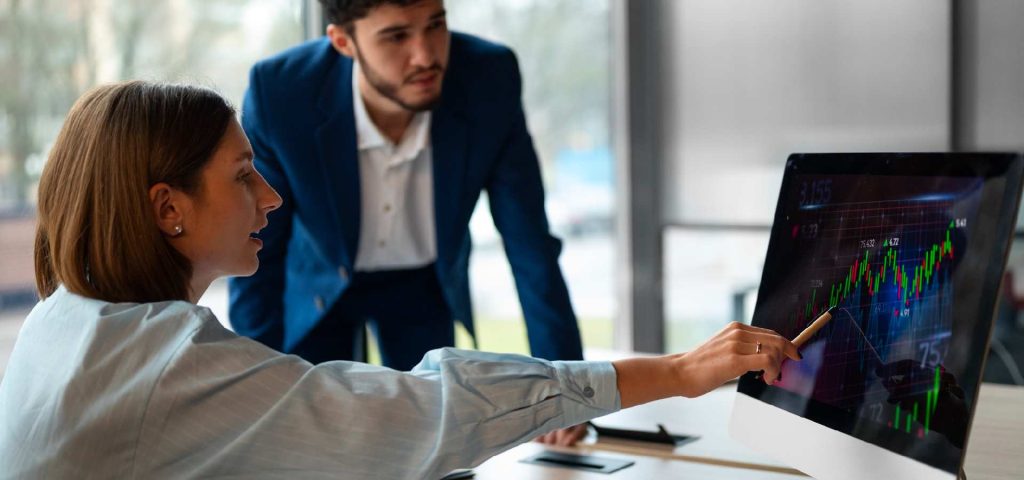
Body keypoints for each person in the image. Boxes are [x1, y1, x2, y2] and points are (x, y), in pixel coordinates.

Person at [0, 81, 798, 478]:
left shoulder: (64, 322)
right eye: (243, 175)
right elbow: (415, 412)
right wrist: (677, 372)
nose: (271, 197)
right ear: (168, 208)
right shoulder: (162, 363)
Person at [227, 0, 584, 372]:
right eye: (396, 36)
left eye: (435, 25)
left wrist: (569, 384)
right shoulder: (281, 92)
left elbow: (530, 246)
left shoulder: (489, 77)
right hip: (320, 282)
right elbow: (259, 247)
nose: (426, 56)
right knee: (313, 406)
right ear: (343, 41)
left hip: (423, 285)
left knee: (429, 406)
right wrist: (257, 379)